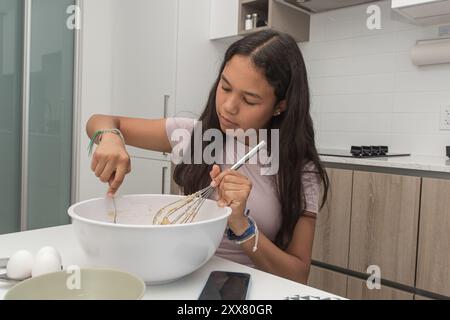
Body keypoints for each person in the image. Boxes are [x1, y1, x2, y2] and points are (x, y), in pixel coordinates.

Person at [86, 30, 329, 284]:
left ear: (280, 105)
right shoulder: (194, 135)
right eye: (225, 87)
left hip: (246, 290)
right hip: (180, 277)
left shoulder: (299, 170)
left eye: (249, 99)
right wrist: (111, 137)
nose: (228, 106)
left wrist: (241, 224)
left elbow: (297, 274)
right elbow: (98, 121)